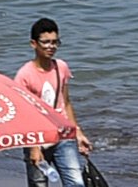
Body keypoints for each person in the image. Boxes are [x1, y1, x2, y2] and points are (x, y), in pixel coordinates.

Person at [18, 19, 89, 187]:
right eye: (46, 42)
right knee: (39, 184)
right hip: (37, 138)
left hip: (63, 136)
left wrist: (77, 132)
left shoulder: (61, 67)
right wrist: (34, 148)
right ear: (33, 44)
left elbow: (66, 102)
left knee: (76, 183)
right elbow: (24, 116)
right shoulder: (24, 75)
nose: (51, 46)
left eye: (55, 42)